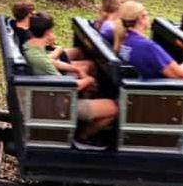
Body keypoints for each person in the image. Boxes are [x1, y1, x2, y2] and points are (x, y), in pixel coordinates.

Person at [114, 0, 183, 132]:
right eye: (146, 14)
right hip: (152, 101)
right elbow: (181, 73)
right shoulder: (147, 47)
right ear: (141, 18)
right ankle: (170, 139)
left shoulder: (125, 41)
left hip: (138, 97)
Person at [23, 12, 118, 151]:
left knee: (86, 69)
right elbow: (66, 88)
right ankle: (83, 137)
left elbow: (50, 61)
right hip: (57, 104)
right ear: (48, 32)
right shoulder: (39, 60)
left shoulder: (30, 46)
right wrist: (88, 80)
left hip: (50, 95)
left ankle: (92, 111)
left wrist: (76, 69)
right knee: (115, 108)